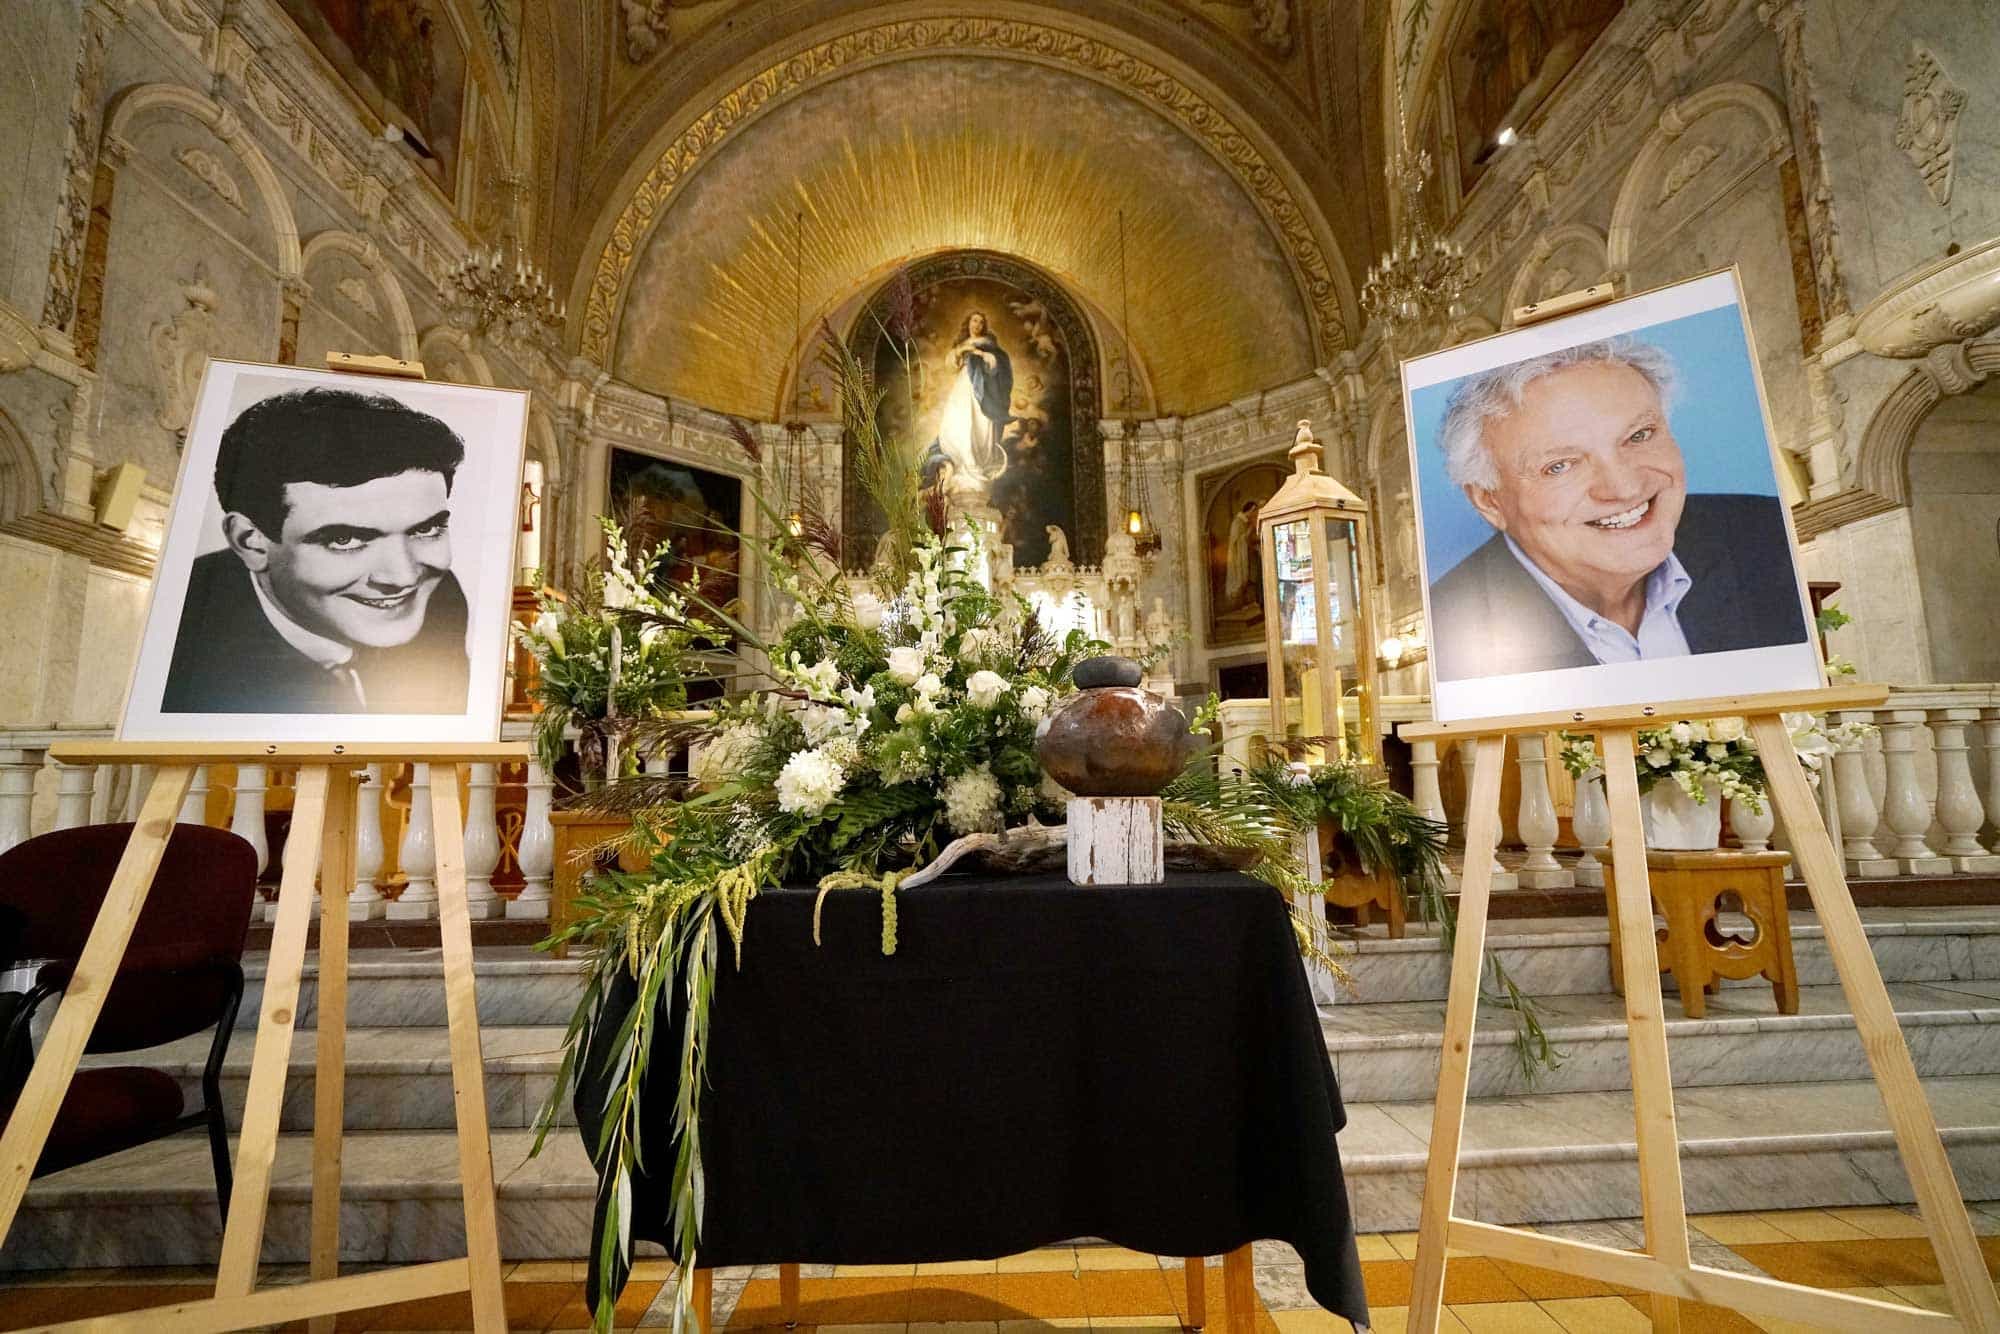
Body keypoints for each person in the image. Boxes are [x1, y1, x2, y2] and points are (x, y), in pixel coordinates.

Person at [1426, 337, 1807, 682]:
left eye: (1638, 436)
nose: (1624, 488)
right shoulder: (1446, 633)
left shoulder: (1768, 537)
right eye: (1560, 465)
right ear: (1490, 501)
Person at [161, 386, 472, 714]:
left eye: (425, 529)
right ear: (250, 541)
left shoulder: (442, 602)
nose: (402, 577)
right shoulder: (182, 640)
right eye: (345, 540)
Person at [930, 311, 1013, 492]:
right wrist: (963, 350)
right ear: (968, 323)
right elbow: (951, 365)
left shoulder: (990, 346)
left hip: (983, 389)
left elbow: (996, 368)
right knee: (959, 421)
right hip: (964, 384)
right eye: (974, 321)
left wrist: (984, 356)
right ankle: (963, 462)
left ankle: (976, 463)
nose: (977, 325)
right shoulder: (962, 345)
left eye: (981, 322)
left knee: (979, 423)